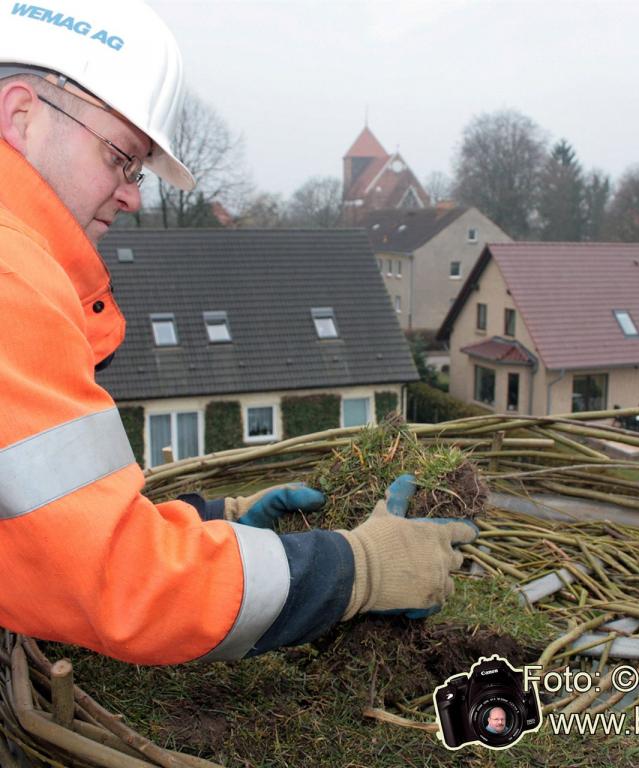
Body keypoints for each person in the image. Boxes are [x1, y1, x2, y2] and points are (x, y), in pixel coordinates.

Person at [0, 0, 476, 666]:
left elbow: (35, 543)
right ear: (20, 115)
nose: (133, 195)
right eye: (120, 157)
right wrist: (356, 567)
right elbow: (118, 580)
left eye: (136, 171)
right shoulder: (10, 282)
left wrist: (212, 522)